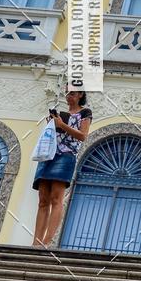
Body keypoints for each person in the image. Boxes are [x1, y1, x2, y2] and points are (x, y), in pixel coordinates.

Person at [32, 85, 92, 248]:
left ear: (80, 94)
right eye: (67, 93)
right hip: (48, 154)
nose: (68, 96)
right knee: (43, 200)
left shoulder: (85, 113)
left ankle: (46, 241)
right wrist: (52, 124)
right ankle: (35, 242)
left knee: (56, 198)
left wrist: (62, 124)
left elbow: (82, 136)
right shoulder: (60, 112)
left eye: (72, 93)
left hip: (65, 155)